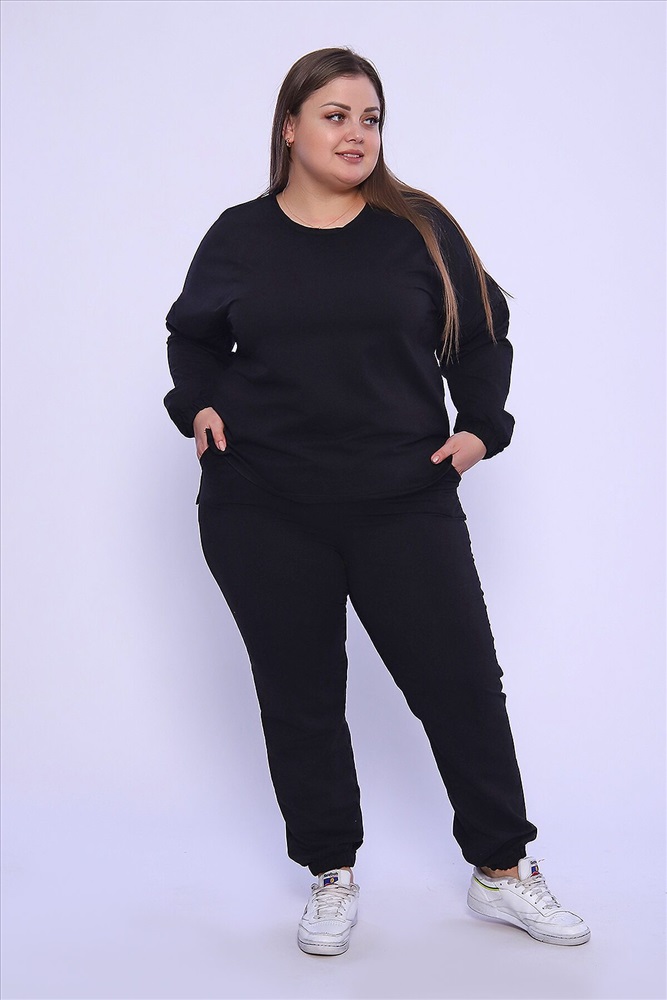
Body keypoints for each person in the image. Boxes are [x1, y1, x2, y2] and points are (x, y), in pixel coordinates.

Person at [164, 47, 590, 956]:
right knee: (301, 693)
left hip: (402, 497)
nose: (356, 134)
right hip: (261, 501)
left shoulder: (418, 228)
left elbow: (481, 334)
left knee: (460, 685)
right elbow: (191, 338)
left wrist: (481, 427)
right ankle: (330, 871)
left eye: (370, 118)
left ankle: (501, 869)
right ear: (290, 127)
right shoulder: (238, 236)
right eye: (335, 116)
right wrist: (195, 404)